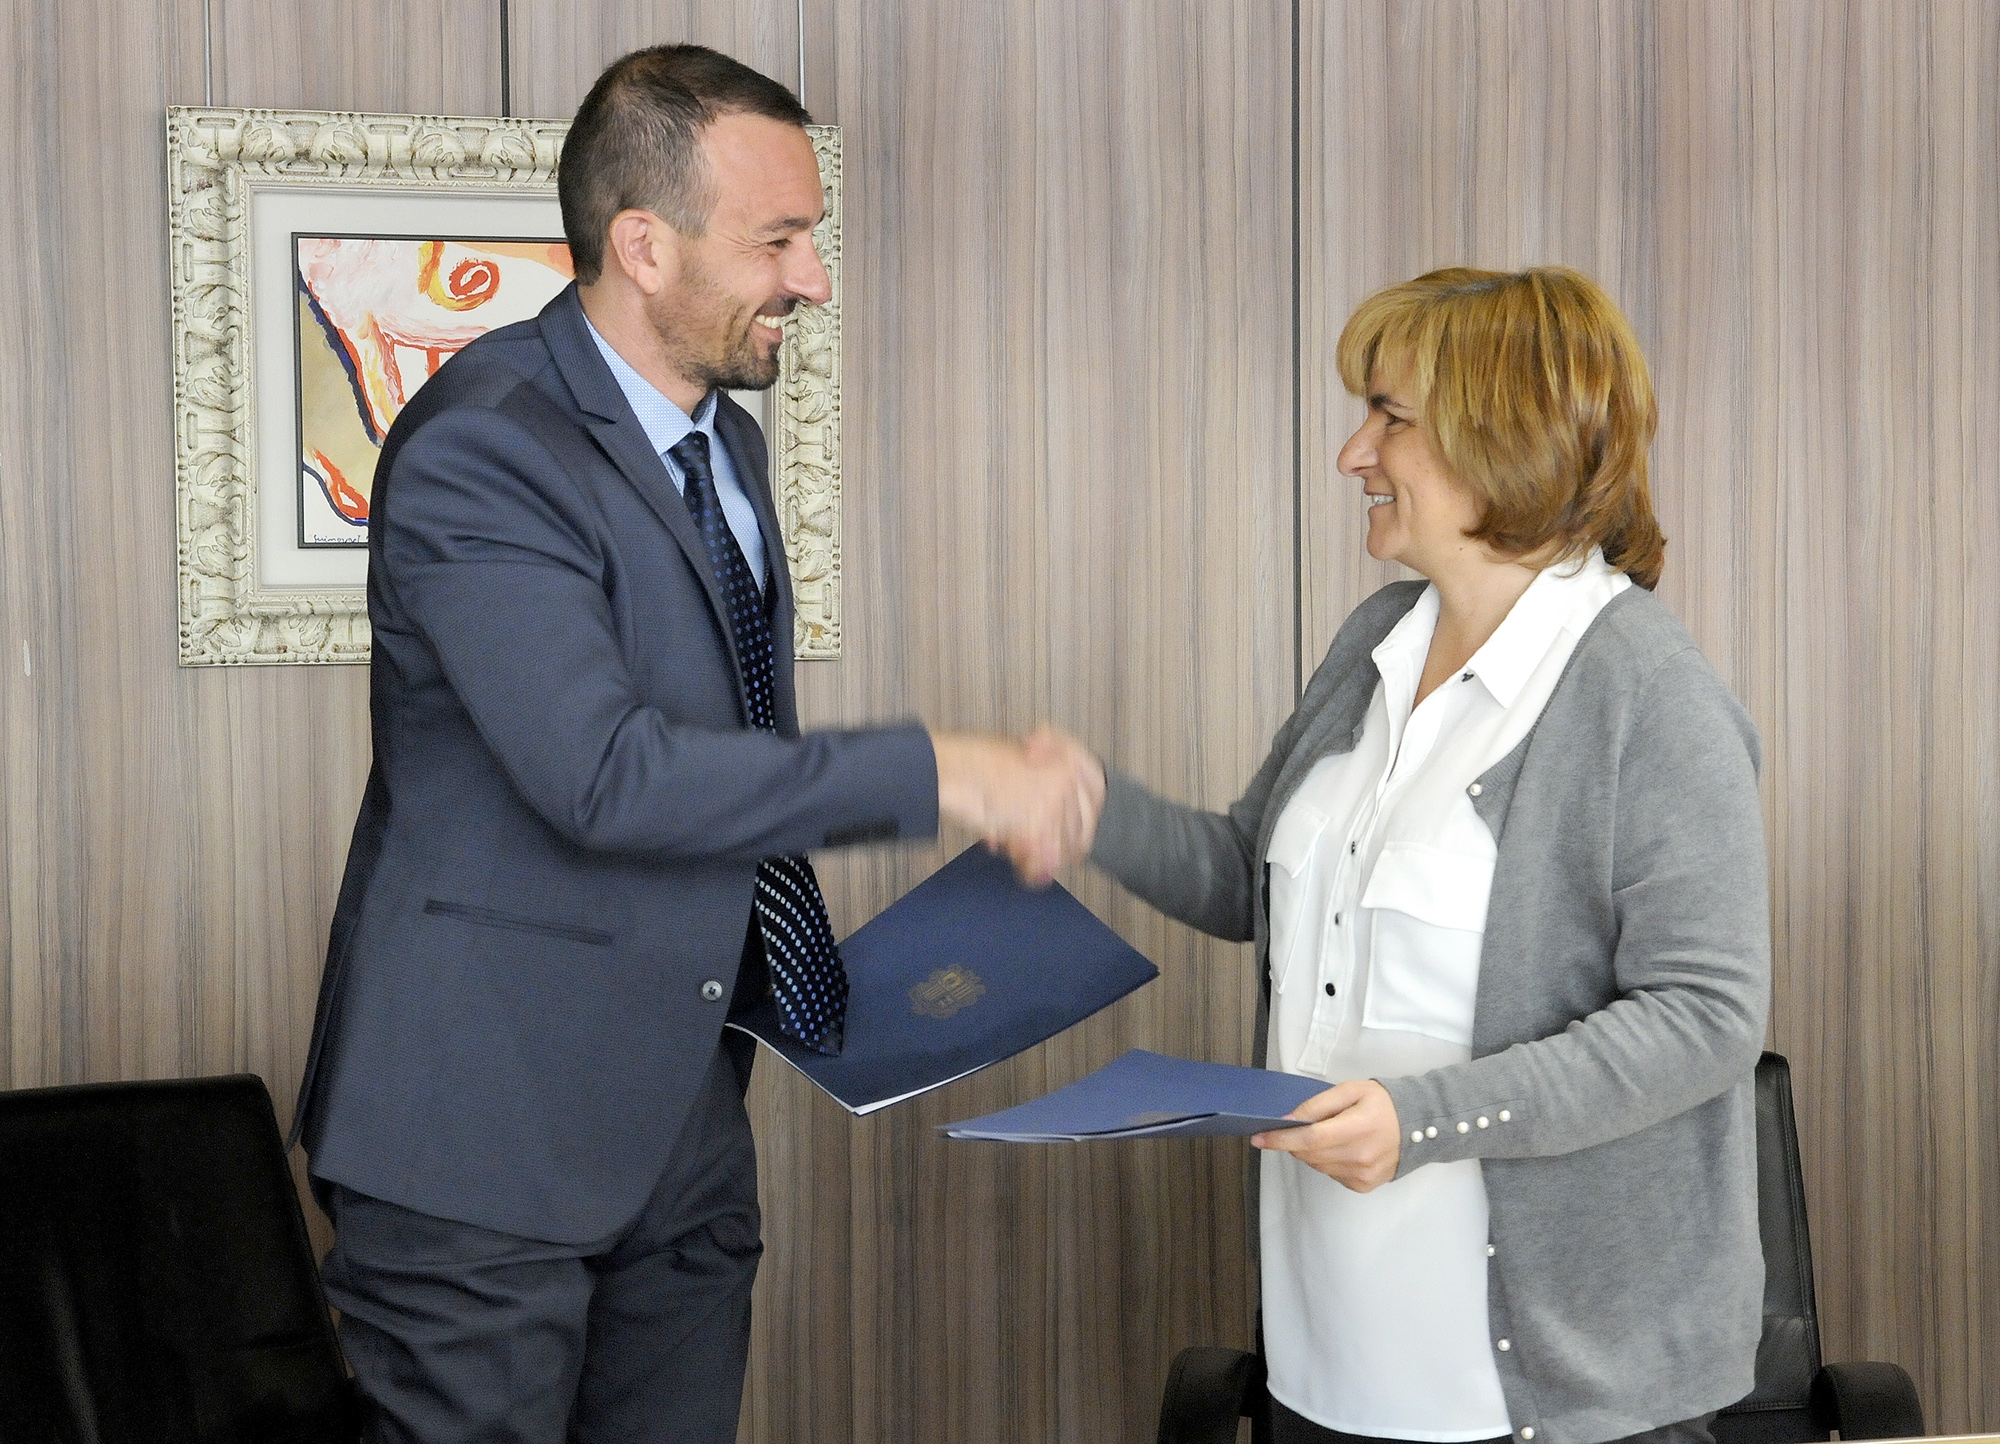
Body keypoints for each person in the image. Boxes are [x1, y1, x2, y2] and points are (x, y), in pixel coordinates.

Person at [290, 45, 1091, 1444]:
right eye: (780, 240)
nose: (815, 279)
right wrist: (943, 768)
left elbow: (731, 746)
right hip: (480, 1139)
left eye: (814, 239)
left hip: (681, 1115)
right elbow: (605, 774)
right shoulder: (489, 444)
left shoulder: (724, 440)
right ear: (643, 245)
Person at [1064, 267, 1769, 1444]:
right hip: (1328, 1352)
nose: (1354, 452)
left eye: (1390, 416)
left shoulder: (1644, 691)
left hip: (1544, 1392)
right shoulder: (1376, 640)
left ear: (1508, 436)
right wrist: (1083, 809)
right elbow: (1256, 878)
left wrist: (1420, 1120)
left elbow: (1703, 1015)